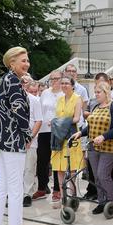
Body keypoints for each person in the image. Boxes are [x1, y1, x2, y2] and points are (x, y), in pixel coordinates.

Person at [0, 47, 32, 225]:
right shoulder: (14, 81)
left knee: (2, 188)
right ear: (12, 62)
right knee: (15, 190)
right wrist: (28, 135)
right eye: (23, 60)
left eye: (27, 60)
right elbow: (20, 113)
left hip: (0, 141)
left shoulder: (4, 80)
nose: (26, 64)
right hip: (13, 141)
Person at [73, 81, 113, 214]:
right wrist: (81, 132)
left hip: (108, 148)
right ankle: (102, 202)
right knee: (96, 176)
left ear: (106, 93)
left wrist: (104, 137)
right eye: (95, 92)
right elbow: (91, 126)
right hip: (93, 147)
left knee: (103, 175)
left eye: (98, 92)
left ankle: (112, 201)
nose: (96, 95)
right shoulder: (95, 107)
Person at [50, 76, 83, 206]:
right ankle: (63, 198)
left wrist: (57, 122)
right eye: (62, 83)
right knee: (59, 168)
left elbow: (76, 118)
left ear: (72, 85)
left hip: (71, 135)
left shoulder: (77, 99)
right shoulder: (59, 99)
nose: (64, 85)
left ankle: (72, 197)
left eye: (66, 83)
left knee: (72, 167)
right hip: (59, 136)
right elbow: (58, 116)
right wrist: (56, 122)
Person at [36, 71, 63, 201]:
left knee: (57, 160)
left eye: (56, 78)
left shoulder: (65, 93)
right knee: (42, 160)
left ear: (62, 79)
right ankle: (42, 187)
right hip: (43, 131)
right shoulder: (45, 93)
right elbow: (40, 111)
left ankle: (57, 189)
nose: (53, 81)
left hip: (58, 131)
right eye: (51, 79)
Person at [21, 74, 43, 207]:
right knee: (16, 169)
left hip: (30, 139)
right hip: (14, 141)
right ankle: (16, 193)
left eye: (26, 82)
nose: (23, 84)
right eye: (21, 82)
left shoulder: (34, 100)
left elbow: (38, 120)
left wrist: (30, 138)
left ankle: (27, 194)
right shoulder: (10, 99)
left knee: (29, 168)